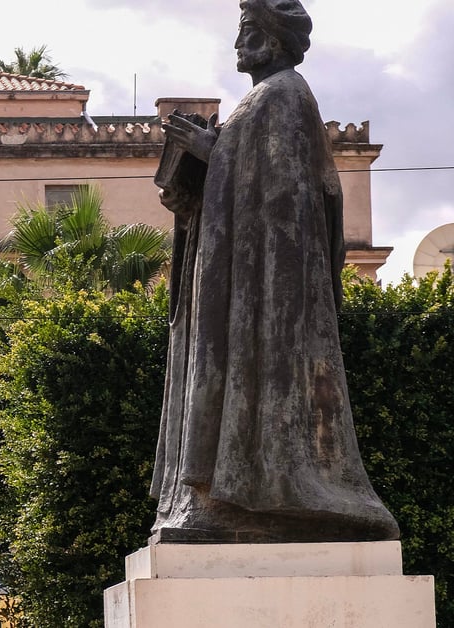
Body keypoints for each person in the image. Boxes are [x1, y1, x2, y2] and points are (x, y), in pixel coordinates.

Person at [150, 0, 399, 543]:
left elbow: (285, 193)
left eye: (246, 32)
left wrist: (212, 153)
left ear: (272, 39)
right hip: (236, 276)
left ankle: (248, 499)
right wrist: (194, 171)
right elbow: (245, 182)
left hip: (265, 286)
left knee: (253, 380)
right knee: (221, 374)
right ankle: (218, 497)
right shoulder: (259, 101)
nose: (238, 44)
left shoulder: (285, 96)